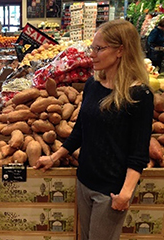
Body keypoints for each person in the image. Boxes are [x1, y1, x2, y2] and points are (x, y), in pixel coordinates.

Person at [34, 19, 153, 240]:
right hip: (85, 180)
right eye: (93, 48)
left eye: (99, 49)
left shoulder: (139, 96)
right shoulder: (93, 85)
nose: (93, 54)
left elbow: (139, 153)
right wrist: (54, 157)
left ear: (121, 50)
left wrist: (124, 194)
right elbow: (80, 131)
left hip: (111, 191)